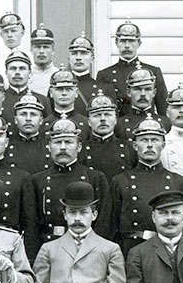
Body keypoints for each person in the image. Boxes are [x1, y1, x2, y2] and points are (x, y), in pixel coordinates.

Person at [23, 119, 113, 260]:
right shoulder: (37, 181)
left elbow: (104, 223)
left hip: (86, 251)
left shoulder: (95, 178)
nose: (63, 147)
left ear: (79, 147)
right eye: (58, 142)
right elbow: (31, 226)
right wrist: (33, 259)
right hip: (49, 250)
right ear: (49, 146)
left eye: (69, 142)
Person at [111, 117, 183, 254]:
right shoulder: (121, 181)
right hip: (131, 249)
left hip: (168, 250)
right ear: (134, 145)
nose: (149, 145)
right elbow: (111, 226)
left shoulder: (178, 182)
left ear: (163, 145)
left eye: (155, 140)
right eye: (144, 140)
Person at [96, 22, 167, 115]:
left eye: (131, 41)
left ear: (139, 43)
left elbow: (163, 108)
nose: (127, 45)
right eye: (123, 41)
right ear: (116, 43)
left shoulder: (153, 72)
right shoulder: (105, 75)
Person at [81, 92, 136, 185]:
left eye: (107, 114)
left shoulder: (130, 149)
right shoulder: (81, 151)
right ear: (89, 122)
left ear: (115, 120)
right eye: (97, 115)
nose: (102, 119)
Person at [116, 68, 171, 137]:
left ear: (154, 92)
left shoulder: (166, 123)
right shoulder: (118, 125)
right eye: (137, 89)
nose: (143, 94)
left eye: (148, 89)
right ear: (128, 92)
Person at [66, 34, 113, 114]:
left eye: (84, 53)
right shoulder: (60, 88)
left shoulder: (105, 88)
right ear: (69, 58)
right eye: (74, 53)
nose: (78, 58)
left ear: (92, 58)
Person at [7, 93, 50, 176]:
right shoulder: (7, 149)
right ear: (16, 120)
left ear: (41, 120)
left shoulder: (49, 148)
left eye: (33, 114)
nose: (28, 119)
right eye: (23, 114)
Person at [2, 51, 51, 120]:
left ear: (30, 73)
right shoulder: (0, 101)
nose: (17, 72)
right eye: (13, 68)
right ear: (6, 73)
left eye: (22, 68)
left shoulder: (43, 101)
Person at [41, 70, 89, 135]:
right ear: (51, 93)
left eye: (69, 89)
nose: (64, 93)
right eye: (59, 89)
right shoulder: (42, 124)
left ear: (76, 93)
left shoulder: (87, 124)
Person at [28, 25, 60, 94]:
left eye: (45, 47)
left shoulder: (58, 75)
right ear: (31, 49)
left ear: (53, 50)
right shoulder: (25, 75)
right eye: (37, 47)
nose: (41, 51)